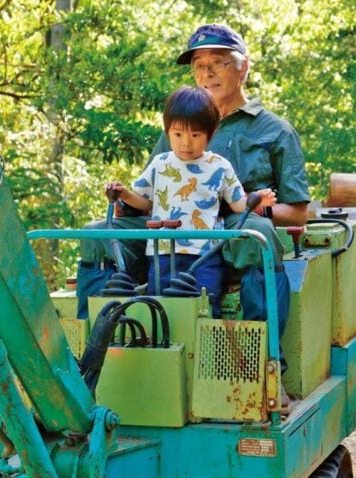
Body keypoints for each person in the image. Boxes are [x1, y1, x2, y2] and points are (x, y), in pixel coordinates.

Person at [77, 23, 311, 410]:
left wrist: (252, 206)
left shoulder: (274, 130)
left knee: (258, 233)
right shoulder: (181, 121)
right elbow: (154, 195)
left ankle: (267, 369)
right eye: (199, 66)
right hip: (172, 223)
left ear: (244, 68)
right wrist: (124, 199)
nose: (207, 73)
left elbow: (299, 209)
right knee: (96, 233)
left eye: (219, 62)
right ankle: (88, 361)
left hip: (233, 222)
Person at [103, 85, 276, 318]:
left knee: (205, 306)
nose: (186, 143)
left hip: (204, 253)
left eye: (195, 135)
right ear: (167, 132)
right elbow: (145, 203)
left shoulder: (219, 166)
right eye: (178, 134)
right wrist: (122, 193)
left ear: (210, 133)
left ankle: (205, 350)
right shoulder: (160, 164)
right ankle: (163, 352)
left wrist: (257, 201)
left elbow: (238, 205)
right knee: (160, 307)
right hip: (162, 251)